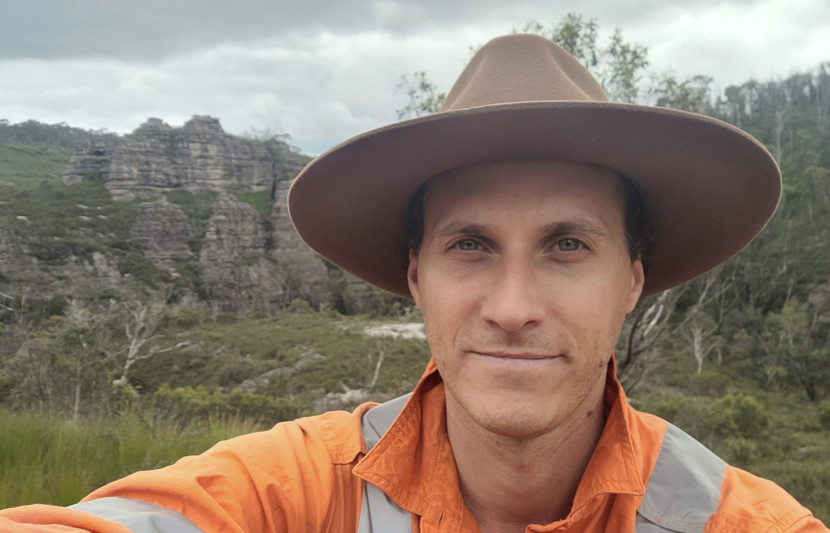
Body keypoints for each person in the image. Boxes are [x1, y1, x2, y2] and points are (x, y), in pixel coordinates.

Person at [0, 34, 826, 533]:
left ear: (632, 280)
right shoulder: (295, 489)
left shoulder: (737, 519)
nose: (511, 308)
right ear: (415, 277)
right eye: (469, 245)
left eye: (568, 244)